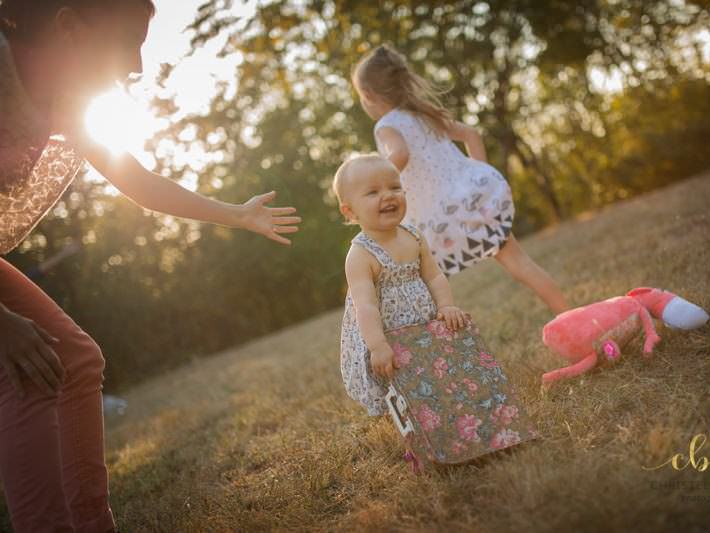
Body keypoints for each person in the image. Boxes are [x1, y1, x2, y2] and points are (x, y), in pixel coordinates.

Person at [0, 1, 300, 531]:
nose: (137, 64)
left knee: (75, 359)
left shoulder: (62, 102)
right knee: (26, 368)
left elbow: (138, 182)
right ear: (69, 28)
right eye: (129, 42)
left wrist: (237, 214)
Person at [351, 44, 568, 314]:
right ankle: (569, 316)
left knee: (428, 286)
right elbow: (471, 135)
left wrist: (372, 180)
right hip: (471, 202)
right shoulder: (422, 113)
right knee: (520, 263)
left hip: (436, 221)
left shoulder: (385, 126)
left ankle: (441, 339)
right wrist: (478, 177)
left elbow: (401, 154)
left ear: (368, 95)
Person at [335, 154, 467, 416]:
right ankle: (402, 411)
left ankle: (439, 399)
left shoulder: (413, 235)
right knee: (399, 374)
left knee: (432, 365)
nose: (388, 195)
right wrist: (377, 345)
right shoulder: (360, 255)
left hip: (424, 319)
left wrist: (446, 306)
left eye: (395, 187)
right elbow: (365, 306)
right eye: (373, 192)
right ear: (349, 211)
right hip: (387, 331)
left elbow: (434, 276)